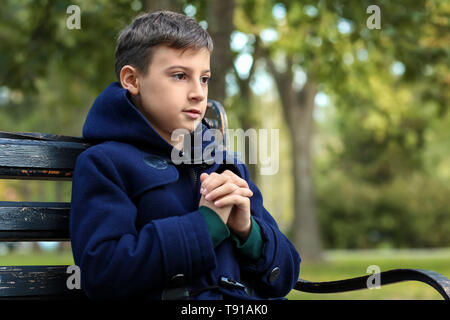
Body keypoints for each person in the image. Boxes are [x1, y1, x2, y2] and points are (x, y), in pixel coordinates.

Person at [70, 10, 300, 300]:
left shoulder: (226, 164)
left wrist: (247, 231)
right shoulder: (105, 164)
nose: (198, 93)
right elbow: (102, 274)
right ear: (132, 79)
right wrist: (205, 226)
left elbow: (286, 276)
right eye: (180, 76)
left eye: (204, 79)